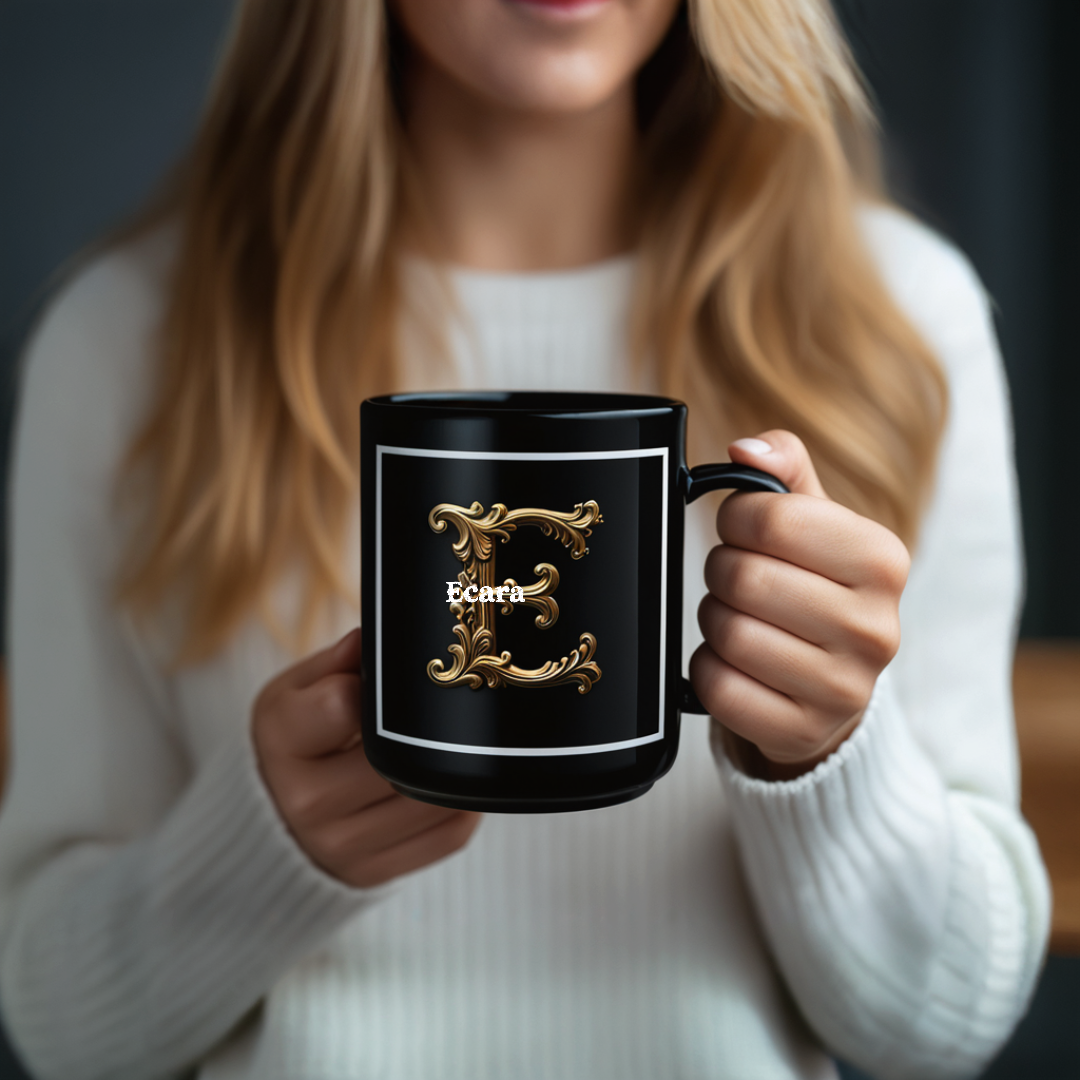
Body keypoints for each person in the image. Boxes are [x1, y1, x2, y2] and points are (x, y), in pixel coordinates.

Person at [0, 1, 1051, 1077]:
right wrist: (256, 854)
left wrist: (831, 764)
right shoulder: (126, 344)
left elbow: (946, 1027)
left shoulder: (897, 323)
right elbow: (60, 1025)